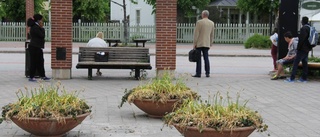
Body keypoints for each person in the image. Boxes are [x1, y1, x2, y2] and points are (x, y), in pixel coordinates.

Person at [285, 17, 313, 83]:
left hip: (302, 49)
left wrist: (298, 48)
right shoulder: (310, 28)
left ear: (302, 21)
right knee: (305, 63)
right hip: (307, 48)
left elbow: (301, 39)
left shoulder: (304, 28)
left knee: (295, 63)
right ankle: (304, 78)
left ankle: (292, 78)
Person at [27, 14, 50, 82]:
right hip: (34, 47)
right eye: (41, 20)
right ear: (38, 20)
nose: (42, 21)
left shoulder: (35, 27)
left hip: (37, 47)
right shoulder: (35, 27)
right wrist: (42, 28)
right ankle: (31, 76)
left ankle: (42, 75)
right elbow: (42, 35)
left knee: (40, 61)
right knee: (34, 62)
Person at [192, 10, 215, 78]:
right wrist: (210, 43)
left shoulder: (199, 22)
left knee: (198, 59)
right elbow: (212, 34)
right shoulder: (211, 23)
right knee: (206, 58)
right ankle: (207, 73)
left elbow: (196, 34)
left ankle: (198, 73)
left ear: (203, 15)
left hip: (199, 43)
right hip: (207, 43)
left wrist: (194, 43)